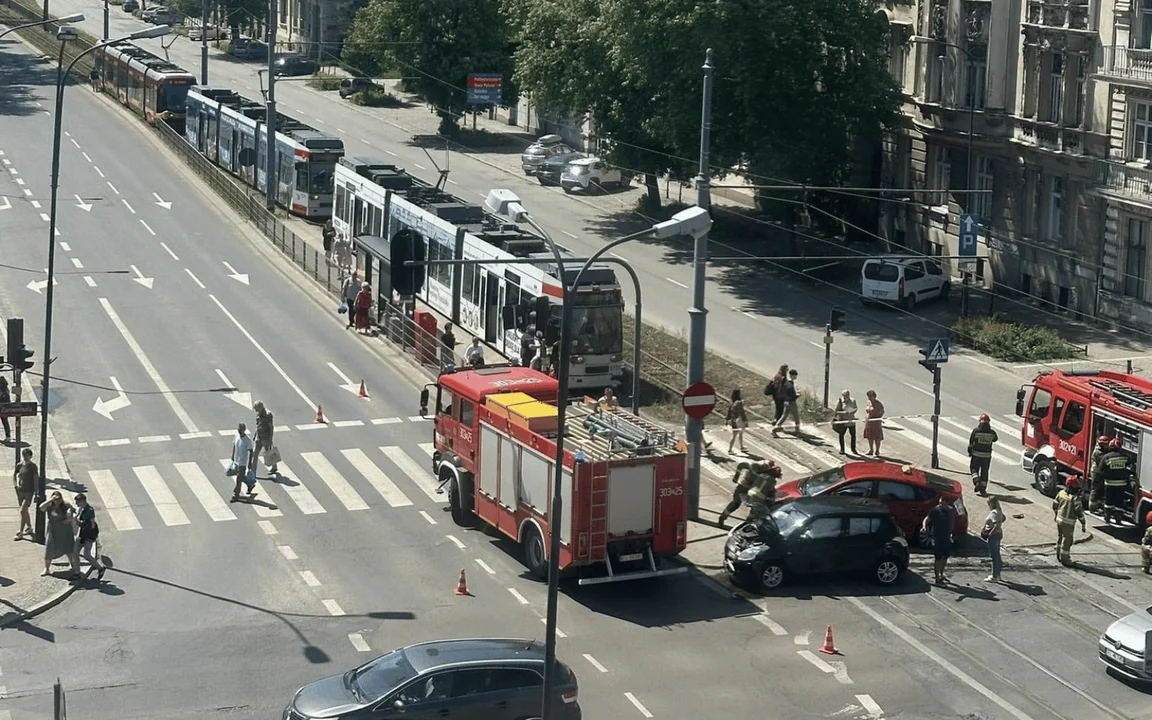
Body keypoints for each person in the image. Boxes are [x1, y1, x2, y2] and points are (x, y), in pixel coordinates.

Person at [718, 461, 780, 526]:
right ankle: (722, 518)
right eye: (766, 466)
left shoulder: (767, 473)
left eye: (768, 468)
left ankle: (746, 525)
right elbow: (742, 465)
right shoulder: (754, 466)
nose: (766, 468)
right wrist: (736, 477)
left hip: (752, 491)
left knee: (755, 509)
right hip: (743, 488)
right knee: (735, 504)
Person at [38, 491, 77, 578]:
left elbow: (74, 513)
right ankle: (47, 568)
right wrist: (50, 500)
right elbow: (41, 507)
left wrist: (69, 519)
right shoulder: (49, 506)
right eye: (56, 499)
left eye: (59, 499)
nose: (57, 501)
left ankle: (72, 564)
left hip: (65, 530)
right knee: (49, 548)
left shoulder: (66, 505)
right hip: (53, 530)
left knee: (68, 548)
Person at [1052, 475, 1086, 566]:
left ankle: (1058, 555)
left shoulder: (1061, 493)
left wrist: (1056, 515)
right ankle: (1065, 559)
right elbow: (1079, 512)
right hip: (1068, 523)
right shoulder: (1075, 498)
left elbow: (1054, 505)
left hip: (1059, 520)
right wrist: (1083, 523)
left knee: (1060, 537)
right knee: (1067, 540)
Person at [73, 493, 106, 580]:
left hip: (87, 536)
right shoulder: (81, 509)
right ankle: (77, 572)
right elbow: (81, 523)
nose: (77, 504)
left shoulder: (90, 511)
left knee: (87, 555)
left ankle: (100, 568)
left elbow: (91, 525)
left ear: (82, 501)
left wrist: (80, 523)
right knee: (75, 552)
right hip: (81, 535)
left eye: (78, 502)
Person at [1099, 438, 1132, 524]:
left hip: (1109, 484)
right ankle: (1118, 520)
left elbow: (1100, 470)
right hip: (1121, 484)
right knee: (1119, 502)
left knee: (1108, 502)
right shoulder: (1125, 456)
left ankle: (1107, 518)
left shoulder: (1106, 457)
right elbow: (1130, 461)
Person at [924, 495, 956, 585]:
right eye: (939, 503)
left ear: (947, 503)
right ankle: (937, 577)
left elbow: (952, 522)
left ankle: (941, 574)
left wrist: (952, 533)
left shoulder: (951, 511)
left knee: (945, 557)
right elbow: (927, 518)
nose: (940, 505)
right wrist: (924, 526)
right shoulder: (935, 510)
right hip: (937, 538)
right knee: (938, 558)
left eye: (942, 504)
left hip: (947, 538)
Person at [967, 414, 998, 496]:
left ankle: (977, 482)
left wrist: (970, 452)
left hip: (976, 454)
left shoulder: (976, 431)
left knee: (973, 468)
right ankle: (983, 489)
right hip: (987, 456)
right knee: (984, 472)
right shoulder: (992, 433)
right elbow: (995, 439)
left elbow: (971, 443)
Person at [13, 447, 37, 540]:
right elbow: (14, 474)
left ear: (30, 456)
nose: (25, 457)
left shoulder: (33, 466)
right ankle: (29, 527)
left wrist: (36, 491)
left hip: (29, 492)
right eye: (24, 455)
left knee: (23, 510)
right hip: (20, 491)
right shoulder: (20, 465)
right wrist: (15, 485)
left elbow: (35, 479)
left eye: (27, 455)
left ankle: (21, 532)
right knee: (24, 512)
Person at [981, 496, 1006, 582]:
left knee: (994, 555)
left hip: (994, 536)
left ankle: (995, 575)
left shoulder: (994, 513)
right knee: (997, 554)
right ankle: (998, 573)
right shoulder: (999, 511)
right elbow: (1003, 518)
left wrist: (989, 534)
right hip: (999, 534)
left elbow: (996, 525)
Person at [230, 423, 256, 502]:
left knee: (238, 479)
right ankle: (250, 484)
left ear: (244, 430)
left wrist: (249, 463)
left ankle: (236, 494)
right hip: (236, 461)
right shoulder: (236, 435)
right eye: (239, 429)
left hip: (242, 463)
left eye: (241, 429)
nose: (239, 431)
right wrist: (232, 455)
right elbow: (234, 445)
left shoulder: (247, 440)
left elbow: (251, 451)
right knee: (240, 477)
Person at [771, 369, 801, 436]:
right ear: (792, 375)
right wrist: (797, 395)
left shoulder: (786, 383)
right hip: (791, 403)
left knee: (784, 416)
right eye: (795, 375)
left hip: (786, 402)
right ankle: (797, 431)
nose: (796, 377)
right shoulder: (790, 385)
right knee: (797, 418)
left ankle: (775, 429)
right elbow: (792, 396)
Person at [253, 400, 277, 475]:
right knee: (254, 453)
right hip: (259, 437)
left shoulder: (268, 415)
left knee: (269, 453)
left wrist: (270, 439)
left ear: (261, 407)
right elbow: (257, 426)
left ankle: (274, 466)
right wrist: (255, 435)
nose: (255, 410)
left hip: (266, 438)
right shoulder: (258, 415)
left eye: (256, 408)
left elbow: (271, 427)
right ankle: (253, 471)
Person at [1087, 434, 1109, 513]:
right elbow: (1104, 461)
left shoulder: (1102, 449)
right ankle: (1092, 507)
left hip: (1100, 472)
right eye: (1106, 444)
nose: (1107, 446)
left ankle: (1098, 506)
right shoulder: (1098, 452)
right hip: (1096, 473)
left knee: (1100, 490)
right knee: (1095, 490)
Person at [832, 389, 858, 455]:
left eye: (848, 394)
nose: (847, 396)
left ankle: (853, 448)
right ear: (843, 395)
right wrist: (843, 412)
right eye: (846, 395)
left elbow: (855, 408)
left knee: (853, 435)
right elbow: (836, 411)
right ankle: (842, 449)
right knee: (841, 435)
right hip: (843, 421)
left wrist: (852, 411)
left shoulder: (853, 400)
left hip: (851, 420)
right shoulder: (840, 401)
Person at [863, 390, 885, 457]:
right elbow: (867, 411)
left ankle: (877, 451)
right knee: (870, 436)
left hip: (876, 423)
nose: (869, 398)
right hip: (869, 422)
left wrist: (878, 417)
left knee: (877, 437)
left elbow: (882, 411)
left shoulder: (878, 404)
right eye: (868, 396)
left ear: (874, 396)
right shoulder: (868, 402)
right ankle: (871, 450)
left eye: (871, 396)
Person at [726, 388, 748, 454]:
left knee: (739, 434)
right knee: (735, 435)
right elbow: (742, 412)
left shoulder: (732, 403)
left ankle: (742, 447)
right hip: (739, 420)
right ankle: (730, 450)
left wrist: (727, 420)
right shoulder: (739, 402)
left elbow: (729, 412)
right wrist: (745, 420)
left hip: (733, 420)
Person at [0, 376, 11, 442]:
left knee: (5, 422)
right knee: (5, 422)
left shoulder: (4, 390)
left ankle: (8, 436)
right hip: (5, 408)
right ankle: (8, 436)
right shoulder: (6, 389)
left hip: (3, 408)